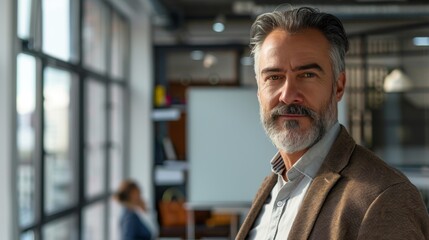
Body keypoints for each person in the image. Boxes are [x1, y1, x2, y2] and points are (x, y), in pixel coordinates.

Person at [236, 6, 429, 240]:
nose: (288, 95)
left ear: (338, 86)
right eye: (274, 77)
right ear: (259, 90)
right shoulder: (269, 190)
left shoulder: (384, 197)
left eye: (307, 75)